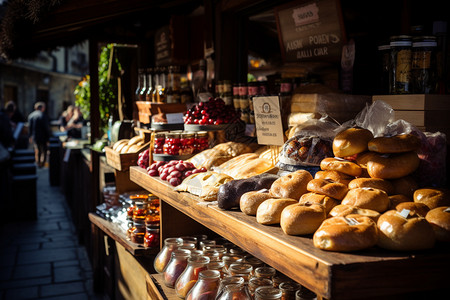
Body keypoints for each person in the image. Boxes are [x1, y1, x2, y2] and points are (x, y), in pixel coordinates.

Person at [28, 101, 52, 168]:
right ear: (42, 108)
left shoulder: (31, 115)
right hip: (43, 136)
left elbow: (30, 128)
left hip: (35, 136)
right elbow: (46, 127)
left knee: (37, 149)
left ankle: (38, 163)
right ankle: (42, 164)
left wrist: (30, 136)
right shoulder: (42, 115)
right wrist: (48, 137)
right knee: (44, 150)